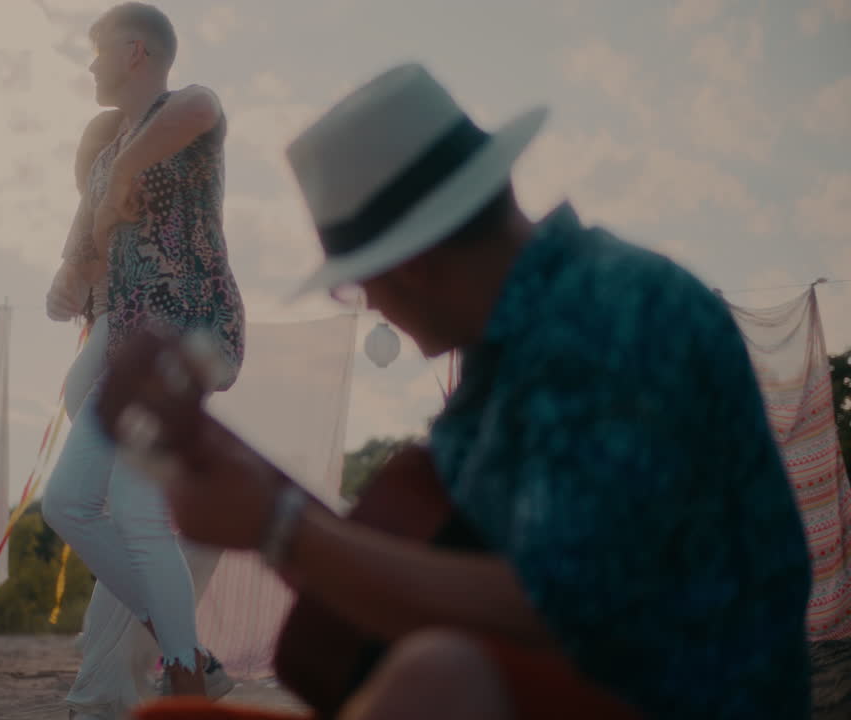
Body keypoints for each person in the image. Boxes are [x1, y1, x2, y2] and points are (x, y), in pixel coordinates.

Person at [96, 63, 813, 719]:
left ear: (412, 266)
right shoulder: (509, 356)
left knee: (438, 677)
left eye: (356, 282)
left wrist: (279, 525)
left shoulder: (617, 314)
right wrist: (228, 465)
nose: (368, 303)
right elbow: (419, 575)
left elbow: (558, 607)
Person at [41, 0, 246, 704]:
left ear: (136, 51)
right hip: (130, 347)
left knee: (135, 510)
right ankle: (191, 659)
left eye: (99, 48)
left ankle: (187, 675)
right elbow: (85, 259)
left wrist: (126, 167)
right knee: (68, 502)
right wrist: (67, 281)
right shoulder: (99, 165)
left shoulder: (186, 108)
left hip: (187, 331)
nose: (90, 62)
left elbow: (199, 109)